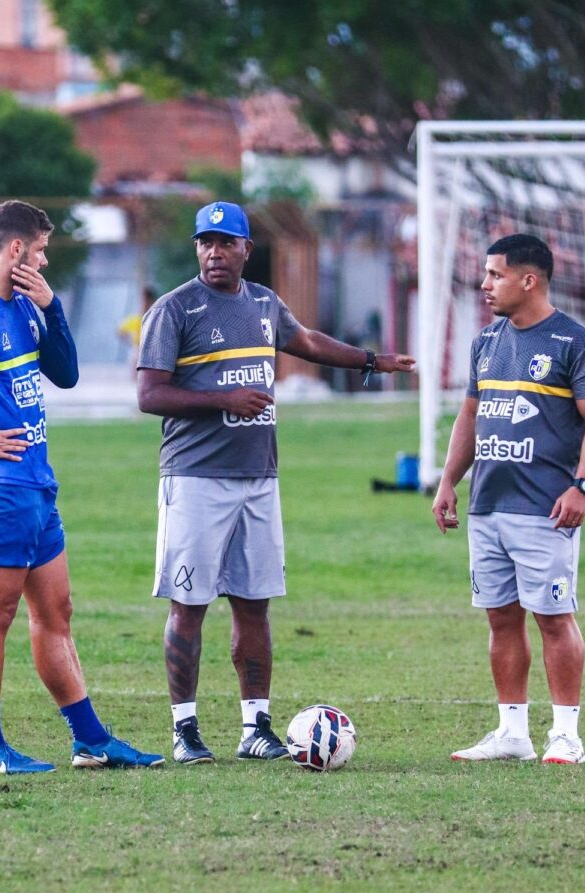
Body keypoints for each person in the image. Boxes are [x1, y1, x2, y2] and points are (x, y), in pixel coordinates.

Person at [137, 200, 416, 764]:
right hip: (195, 478)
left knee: (254, 606)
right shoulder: (174, 309)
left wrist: (370, 360)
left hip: (259, 478)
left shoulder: (264, 303)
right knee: (189, 606)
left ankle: (255, 727)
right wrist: (224, 400)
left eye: (226, 242)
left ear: (247, 248)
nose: (215, 252)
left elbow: (306, 341)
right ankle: (185, 731)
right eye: (205, 242)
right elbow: (149, 395)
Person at [0, 200, 165, 774]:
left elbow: (65, 375)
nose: (44, 260)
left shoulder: (26, 305)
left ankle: (90, 741)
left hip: (36, 481)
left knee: (57, 610)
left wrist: (53, 307)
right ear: (16, 248)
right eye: (41, 250)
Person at [431, 233, 585, 765]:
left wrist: (582, 485)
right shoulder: (487, 342)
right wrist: (448, 481)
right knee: (501, 619)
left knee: (554, 618)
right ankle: (512, 733)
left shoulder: (578, 343)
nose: (484, 284)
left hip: (545, 509)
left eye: (495, 274)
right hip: (488, 505)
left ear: (529, 280)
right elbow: (470, 415)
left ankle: (566, 735)